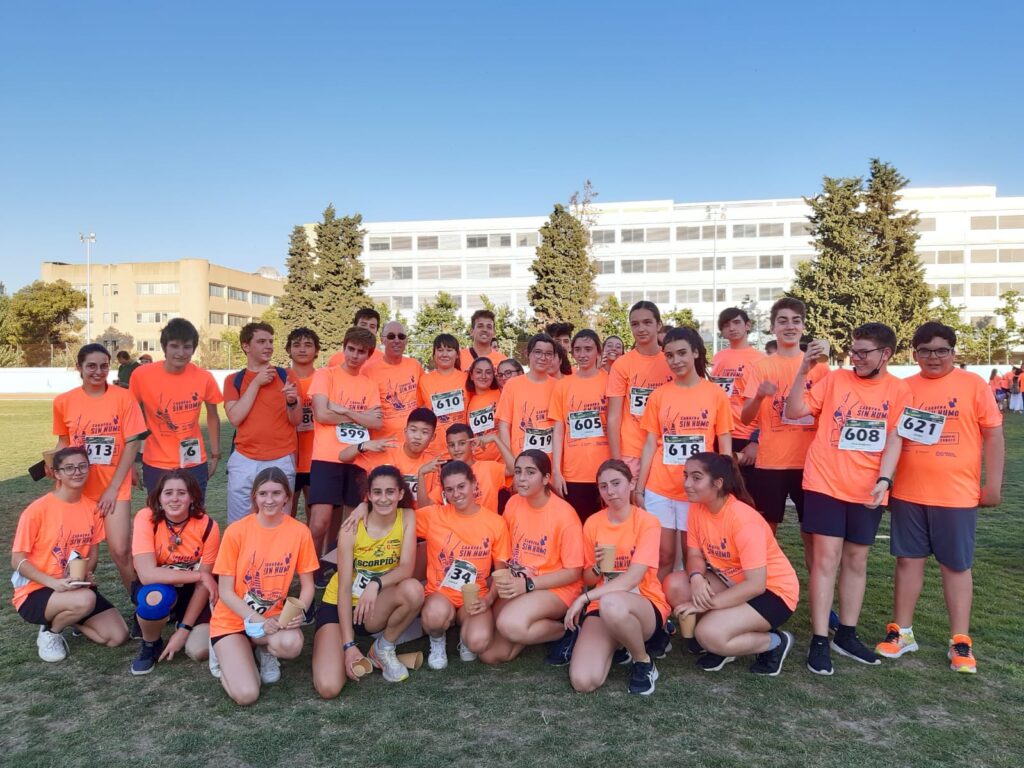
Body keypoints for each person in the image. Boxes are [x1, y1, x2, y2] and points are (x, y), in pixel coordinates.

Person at [875, 322, 1004, 673]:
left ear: (953, 352)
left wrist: (993, 485)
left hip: (957, 495)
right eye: (925, 351)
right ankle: (901, 632)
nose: (933, 357)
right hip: (909, 492)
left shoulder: (973, 385)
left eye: (941, 350)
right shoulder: (903, 387)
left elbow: (993, 435)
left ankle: (960, 640)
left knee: (956, 566)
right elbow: (891, 437)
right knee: (907, 562)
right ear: (914, 353)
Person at [785, 322, 912, 675]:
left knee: (857, 560)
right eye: (853, 351)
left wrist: (885, 479)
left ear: (885, 354)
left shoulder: (899, 390)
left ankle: (847, 634)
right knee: (826, 560)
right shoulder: (835, 380)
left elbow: (895, 438)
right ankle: (819, 639)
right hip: (824, 482)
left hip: (867, 488)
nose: (855, 358)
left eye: (863, 352)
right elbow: (793, 411)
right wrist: (803, 369)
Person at [663, 453, 799, 676]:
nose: (686, 483)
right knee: (674, 585)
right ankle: (722, 640)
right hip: (733, 583)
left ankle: (775, 642)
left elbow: (756, 585)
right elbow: (694, 554)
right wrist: (696, 577)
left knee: (708, 634)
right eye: (686, 476)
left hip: (773, 593)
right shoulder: (698, 508)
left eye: (696, 478)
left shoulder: (743, 520)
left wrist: (704, 605)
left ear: (718, 483)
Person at [208, 468, 319, 704]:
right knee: (247, 695)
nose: (269, 500)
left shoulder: (299, 532)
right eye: (263, 494)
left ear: (287, 496)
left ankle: (264, 650)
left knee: (291, 644)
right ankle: (223, 655)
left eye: (276, 493)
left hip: (273, 619)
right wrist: (258, 620)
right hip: (233, 620)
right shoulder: (236, 531)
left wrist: (298, 611)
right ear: (254, 497)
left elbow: (308, 586)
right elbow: (225, 592)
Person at [312, 466, 424, 695]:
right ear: (369, 496)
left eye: (390, 492)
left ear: (401, 494)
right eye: (377, 492)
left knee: (413, 590)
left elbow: (406, 568)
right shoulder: (351, 528)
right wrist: (348, 645)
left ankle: (383, 648)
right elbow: (344, 589)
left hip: (373, 605)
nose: (384, 498)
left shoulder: (407, 517)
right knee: (328, 687)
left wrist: (375, 584)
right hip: (339, 604)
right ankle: (345, 645)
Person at [11, 447, 129, 662]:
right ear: (57, 473)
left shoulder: (93, 508)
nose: (77, 472)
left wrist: (83, 575)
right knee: (86, 599)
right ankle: (51, 632)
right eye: (69, 468)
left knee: (117, 636)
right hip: (37, 591)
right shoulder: (37, 510)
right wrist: (54, 583)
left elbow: (92, 555)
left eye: (82, 466)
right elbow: (17, 560)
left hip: (74, 587)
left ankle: (71, 617)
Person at [565, 459, 670, 696]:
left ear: (631, 484)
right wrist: (598, 567)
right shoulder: (593, 523)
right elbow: (588, 579)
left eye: (616, 483)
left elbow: (633, 578)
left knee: (611, 602)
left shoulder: (647, 522)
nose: (610, 491)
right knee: (583, 681)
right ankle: (619, 643)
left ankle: (643, 661)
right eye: (603, 486)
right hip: (603, 607)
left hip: (643, 602)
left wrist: (584, 598)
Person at [52, 343, 148, 594]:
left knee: (121, 551)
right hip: (77, 488)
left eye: (104, 366)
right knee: (81, 556)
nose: (98, 371)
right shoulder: (63, 401)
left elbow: (132, 443)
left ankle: (141, 606)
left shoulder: (123, 397)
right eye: (91, 366)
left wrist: (113, 488)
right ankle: (79, 606)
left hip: (114, 486)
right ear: (79, 367)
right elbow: (64, 441)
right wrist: (52, 462)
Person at [637, 327, 733, 579]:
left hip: (698, 489)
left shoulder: (715, 394)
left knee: (694, 555)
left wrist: (726, 485)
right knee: (663, 555)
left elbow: (724, 443)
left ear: (695, 353)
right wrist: (639, 488)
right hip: (660, 487)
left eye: (682, 353)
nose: (676, 360)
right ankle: (657, 602)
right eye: (669, 355)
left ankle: (689, 600)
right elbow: (650, 444)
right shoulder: (659, 396)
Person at [740, 298, 828, 567]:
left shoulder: (820, 367)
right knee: (766, 532)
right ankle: (763, 584)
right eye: (783, 321)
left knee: (812, 535)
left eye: (795, 321)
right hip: (771, 463)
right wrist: (758, 396)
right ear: (773, 328)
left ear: (803, 326)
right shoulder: (761, 367)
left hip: (810, 464)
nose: (790, 326)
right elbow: (745, 418)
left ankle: (818, 590)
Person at [479, 450, 584, 666]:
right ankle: (530, 623)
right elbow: (504, 550)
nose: (521, 478)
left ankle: (567, 629)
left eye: (530, 472)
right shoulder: (513, 503)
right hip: (519, 583)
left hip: (555, 588)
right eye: (518, 472)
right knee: (491, 654)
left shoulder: (565, 515)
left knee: (509, 624)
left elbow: (574, 572)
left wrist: (527, 585)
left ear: (546, 478)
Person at [417, 461, 511, 670]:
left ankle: (465, 634)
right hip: (440, 594)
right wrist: (362, 508)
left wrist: (488, 600)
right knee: (434, 618)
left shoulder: (495, 522)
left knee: (478, 643)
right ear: (444, 492)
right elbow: (398, 520)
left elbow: (501, 571)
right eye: (450, 489)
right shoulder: (434, 515)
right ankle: (437, 640)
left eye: (461, 486)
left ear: (474, 484)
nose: (456, 494)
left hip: (475, 595)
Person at [308, 327, 383, 579]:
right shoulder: (325, 374)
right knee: (319, 522)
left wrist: (345, 411)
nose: (354, 355)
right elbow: (321, 414)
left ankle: (342, 571)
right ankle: (310, 572)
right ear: (344, 347)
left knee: (351, 523)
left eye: (361, 352)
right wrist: (360, 416)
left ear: (368, 355)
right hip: (326, 458)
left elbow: (376, 423)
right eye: (350, 349)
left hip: (358, 459)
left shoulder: (369, 384)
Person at [129, 470, 220, 675]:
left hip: (192, 592)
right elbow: (147, 575)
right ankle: (150, 643)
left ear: (192, 497)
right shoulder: (146, 517)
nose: (175, 498)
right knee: (155, 599)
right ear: (159, 497)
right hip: (157, 586)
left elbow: (203, 587)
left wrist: (184, 630)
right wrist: (199, 575)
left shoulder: (208, 526)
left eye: (182, 493)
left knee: (199, 650)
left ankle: (181, 622)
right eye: (168, 493)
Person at [129, 318, 223, 496]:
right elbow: (131, 418)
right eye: (174, 346)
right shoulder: (141, 375)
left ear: (193, 349)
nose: (181, 353)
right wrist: (130, 463)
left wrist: (215, 454)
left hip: (194, 462)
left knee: (194, 511)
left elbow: (213, 416)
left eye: (187, 347)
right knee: (159, 511)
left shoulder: (205, 377)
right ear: (164, 347)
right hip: (156, 463)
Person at [223, 322, 302, 523]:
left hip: (281, 457)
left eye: (270, 341)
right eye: (261, 341)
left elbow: (296, 420)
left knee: (278, 522)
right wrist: (256, 383)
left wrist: (292, 402)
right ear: (246, 346)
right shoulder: (234, 380)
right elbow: (235, 417)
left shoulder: (286, 375)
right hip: (245, 459)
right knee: (240, 523)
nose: (268, 346)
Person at [606, 302, 673, 478]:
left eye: (647, 322)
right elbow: (613, 416)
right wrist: (616, 461)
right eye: (635, 324)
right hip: (631, 453)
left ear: (659, 324)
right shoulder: (622, 364)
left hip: (665, 450)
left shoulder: (672, 361)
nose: (641, 329)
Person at [550, 329, 611, 522]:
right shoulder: (563, 385)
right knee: (577, 527)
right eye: (578, 349)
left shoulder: (610, 382)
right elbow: (558, 430)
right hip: (573, 473)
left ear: (598, 352)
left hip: (605, 470)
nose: (582, 354)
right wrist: (556, 470)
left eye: (588, 349)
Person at [342, 407, 438, 506]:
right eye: (413, 430)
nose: (417, 437)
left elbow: (427, 507)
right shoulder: (386, 449)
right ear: (405, 431)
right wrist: (364, 445)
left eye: (424, 432)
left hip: (414, 514)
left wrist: (421, 475)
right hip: (380, 511)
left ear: (432, 437)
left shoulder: (434, 465)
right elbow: (344, 457)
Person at [711, 308, 764, 480]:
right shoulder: (717, 358)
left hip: (746, 436)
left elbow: (768, 405)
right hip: (719, 434)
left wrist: (756, 441)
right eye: (726, 325)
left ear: (747, 325)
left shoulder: (761, 360)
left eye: (736, 322)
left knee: (747, 492)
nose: (732, 328)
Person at [418, 423, 514, 512]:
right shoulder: (449, 477)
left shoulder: (488, 468)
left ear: (472, 445)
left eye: (462, 443)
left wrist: (495, 439)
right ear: (448, 448)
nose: (456, 449)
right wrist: (421, 474)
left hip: (488, 524)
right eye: (452, 445)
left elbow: (513, 469)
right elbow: (424, 507)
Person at [497, 332, 558, 456]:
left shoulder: (559, 386)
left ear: (553, 357)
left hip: (550, 460)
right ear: (528, 354)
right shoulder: (512, 385)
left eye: (548, 354)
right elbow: (504, 426)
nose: (543, 357)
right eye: (538, 352)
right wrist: (510, 460)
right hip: (520, 459)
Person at [361, 321, 423, 442]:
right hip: (383, 443)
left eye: (401, 336)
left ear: (406, 340)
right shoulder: (368, 371)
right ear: (382, 340)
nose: (396, 340)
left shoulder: (415, 365)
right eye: (391, 336)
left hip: (412, 442)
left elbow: (424, 398)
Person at [286, 327, 320, 519]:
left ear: (316, 350)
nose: (302, 349)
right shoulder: (281, 378)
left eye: (308, 345)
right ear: (288, 350)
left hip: (316, 457)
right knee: (286, 512)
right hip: (287, 457)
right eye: (296, 345)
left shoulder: (324, 378)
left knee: (314, 514)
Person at [418, 333, 469, 458]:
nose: (444, 354)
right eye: (440, 350)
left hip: (460, 450)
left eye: (449, 350)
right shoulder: (424, 380)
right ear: (434, 354)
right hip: (433, 451)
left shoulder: (467, 379)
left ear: (457, 354)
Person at [465, 355, 502, 462]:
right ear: (471, 376)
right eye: (479, 372)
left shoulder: (501, 393)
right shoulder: (469, 401)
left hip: (502, 460)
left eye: (488, 372)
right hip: (478, 461)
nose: (483, 376)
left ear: (493, 375)